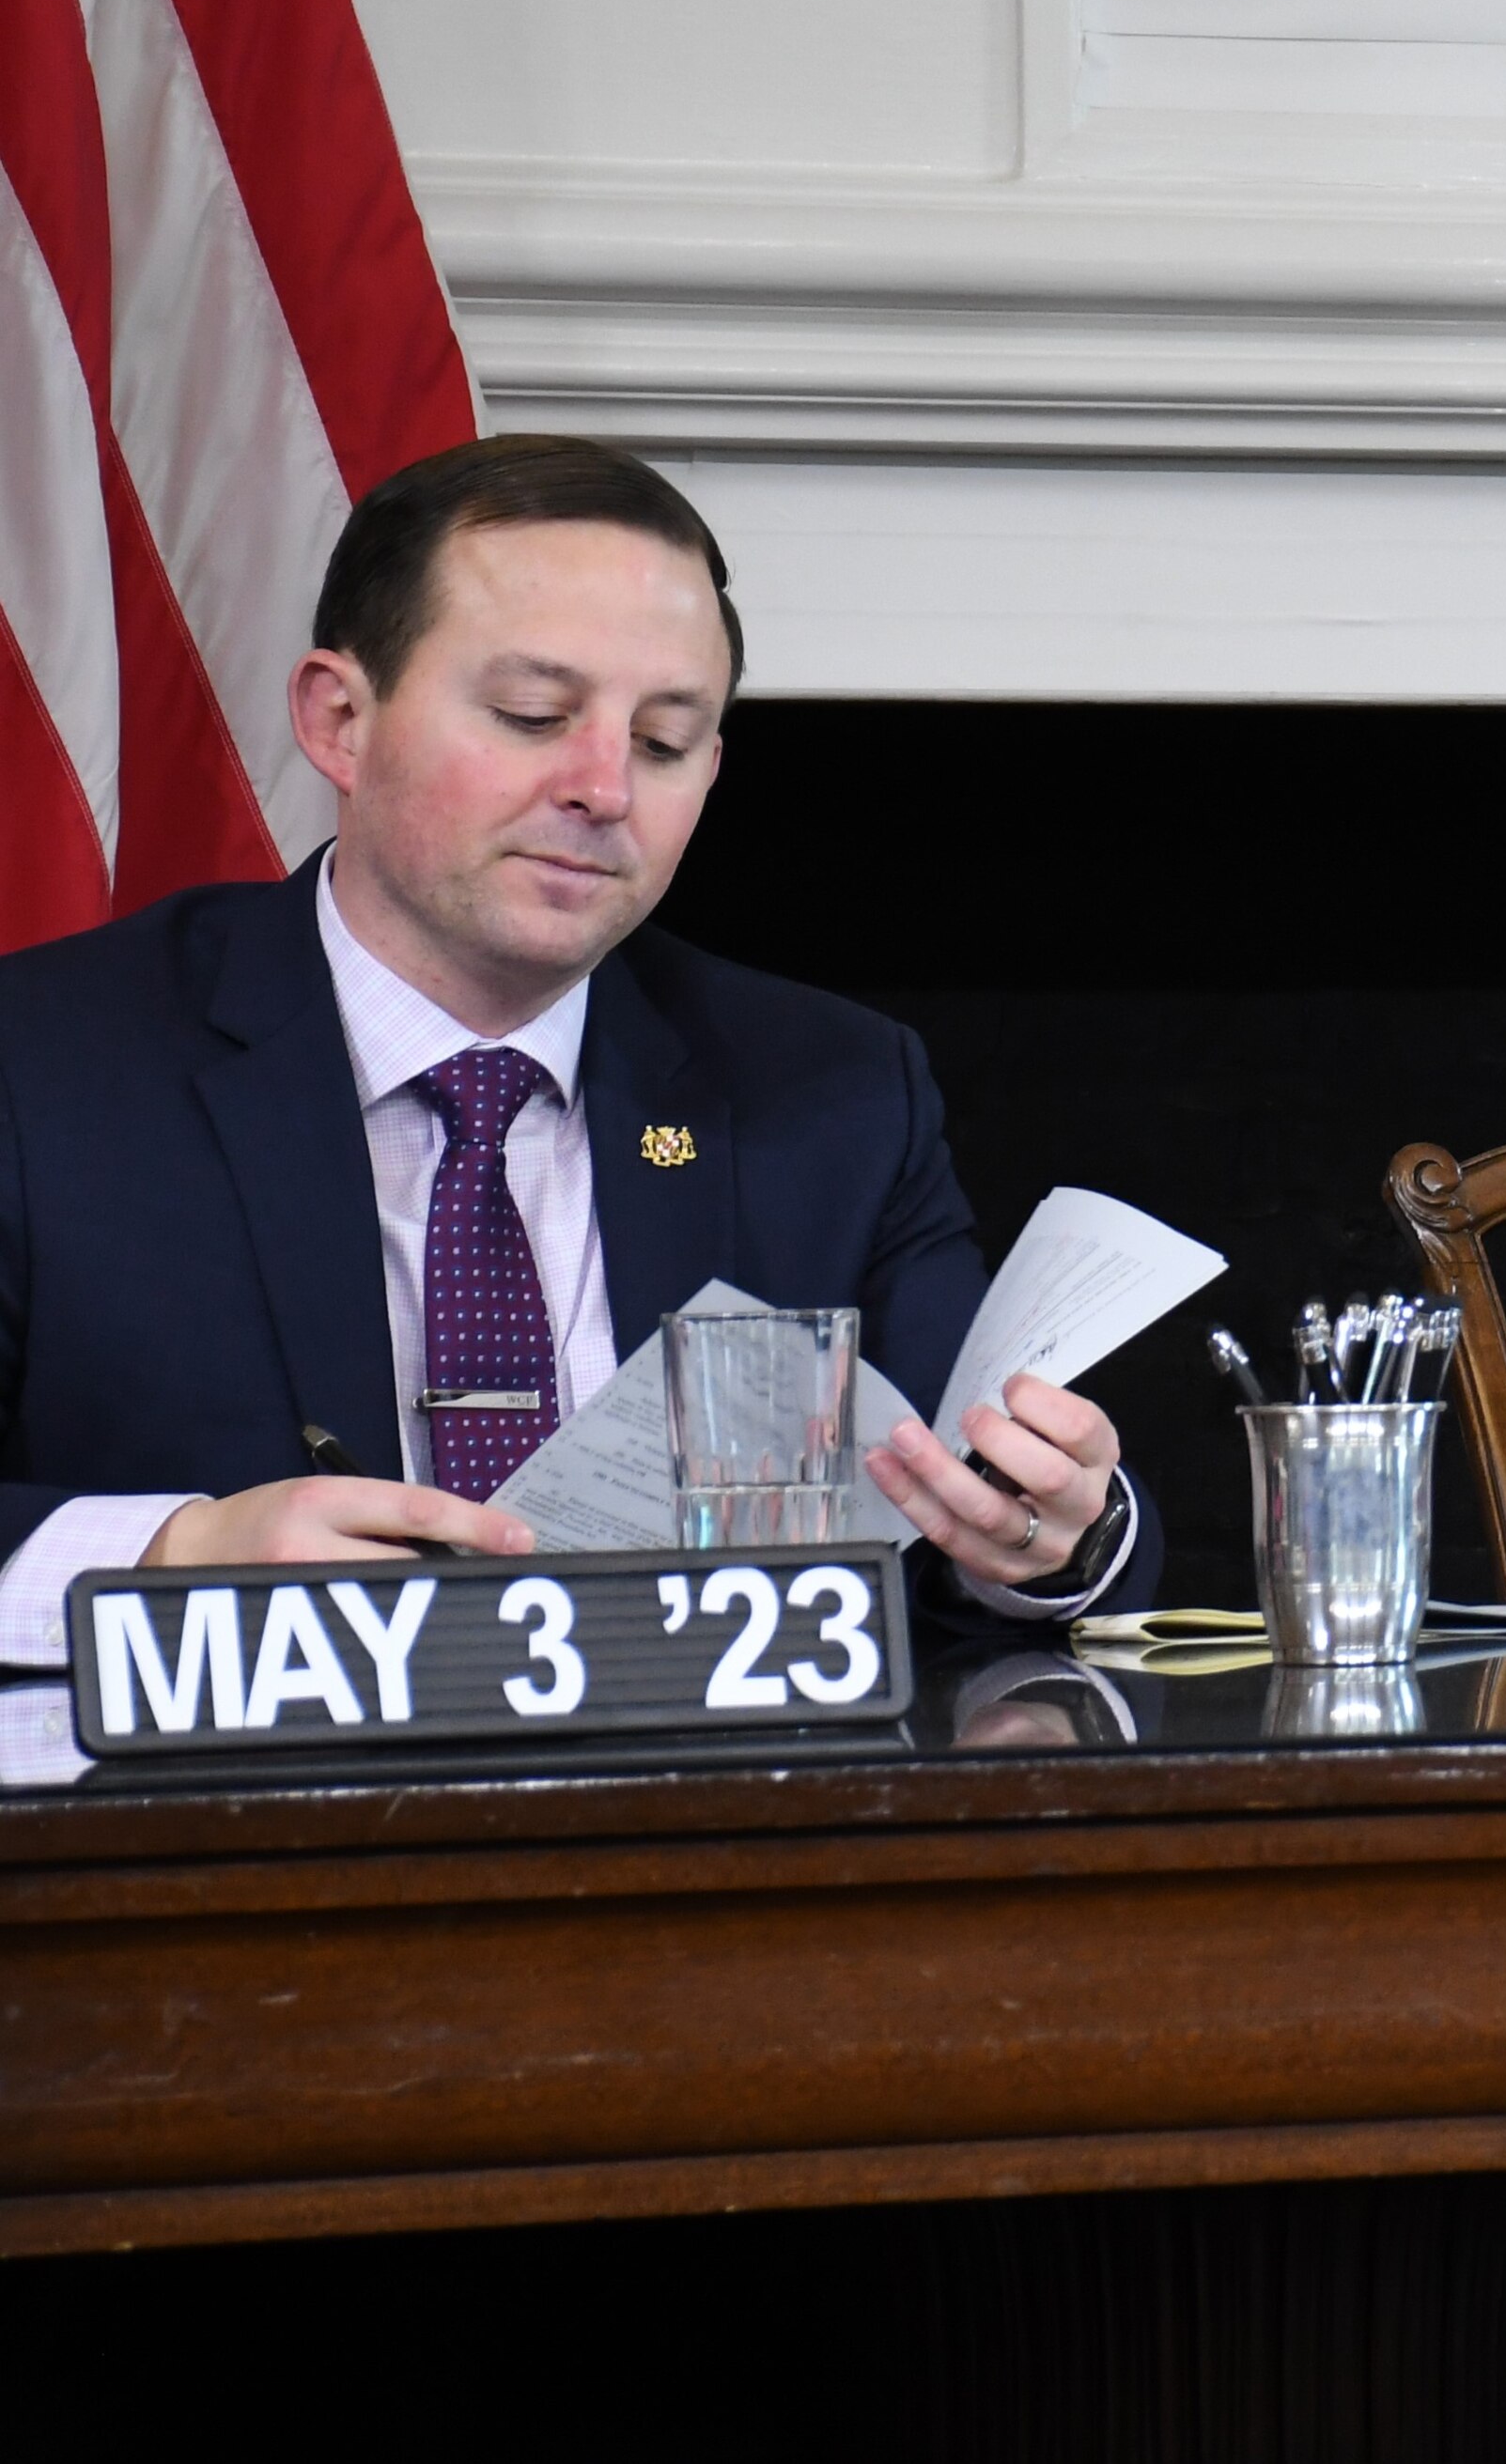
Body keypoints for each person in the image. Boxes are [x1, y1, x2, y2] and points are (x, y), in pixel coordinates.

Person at [0, 434, 1160, 1667]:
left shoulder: (831, 1091)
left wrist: (1059, 1534)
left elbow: (1005, 1532)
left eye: (664, 743)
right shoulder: (46, 1065)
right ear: (340, 719)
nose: (603, 787)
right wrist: (178, 1555)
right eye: (531, 715)